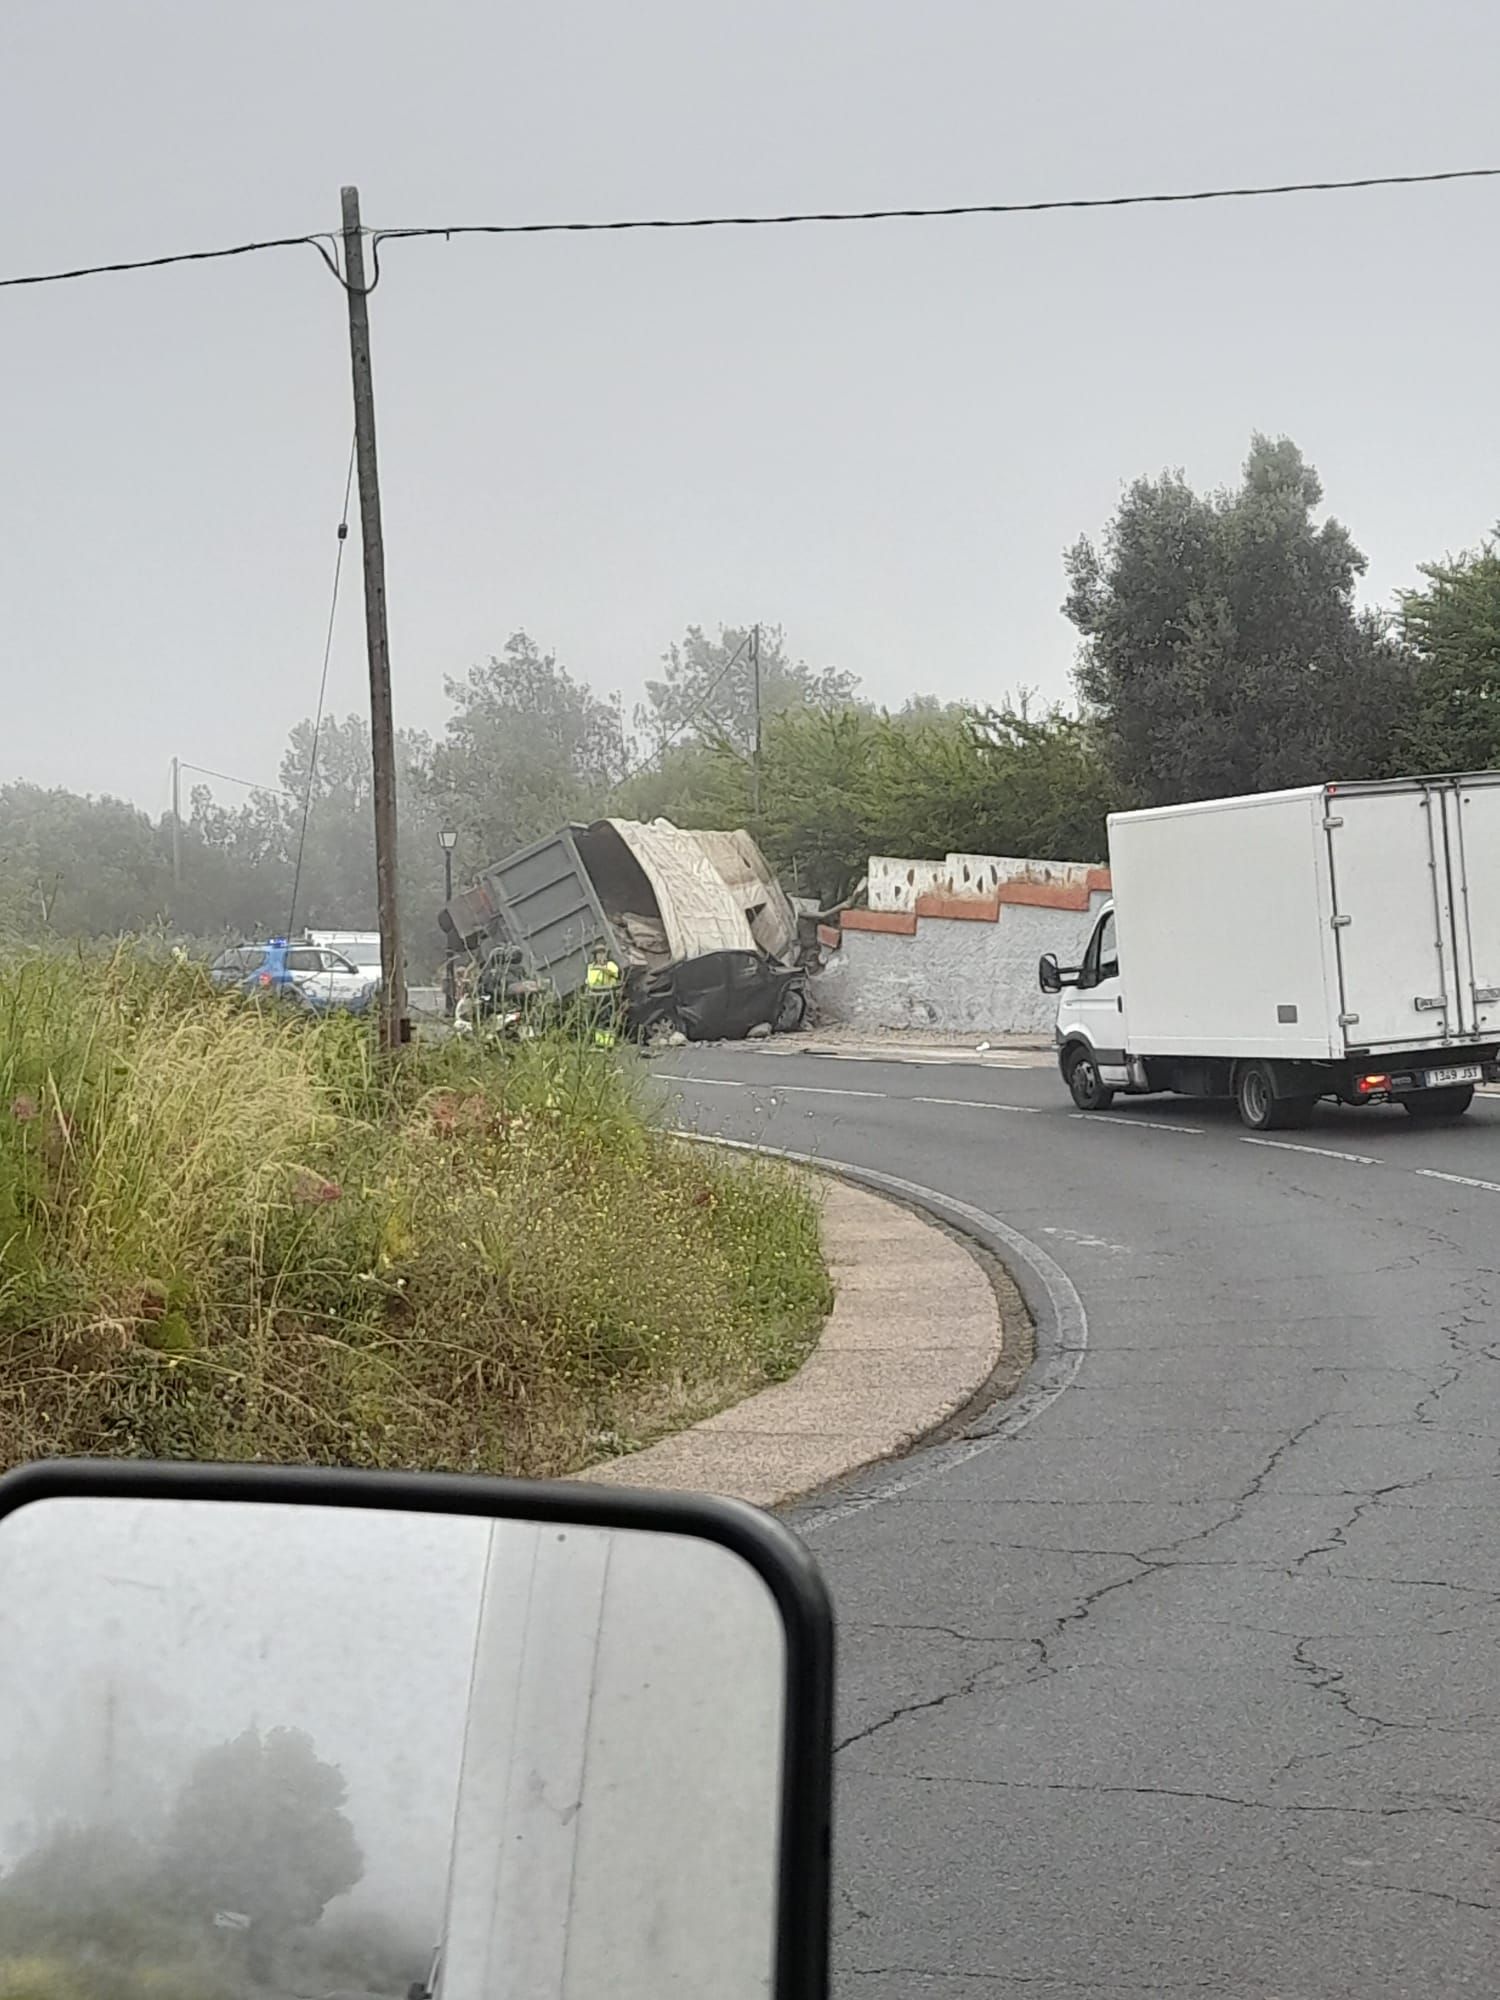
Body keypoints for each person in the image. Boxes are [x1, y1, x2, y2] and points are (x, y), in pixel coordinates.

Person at [584, 944, 621, 1048]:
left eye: (602, 953)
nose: (600, 956)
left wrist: (603, 969)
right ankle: (600, 1044)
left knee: (608, 1020)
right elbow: (590, 981)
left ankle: (609, 1044)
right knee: (597, 1021)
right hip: (595, 997)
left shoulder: (610, 965)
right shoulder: (590, 967)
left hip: (607, 996)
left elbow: (614, 973)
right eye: (598, 954)